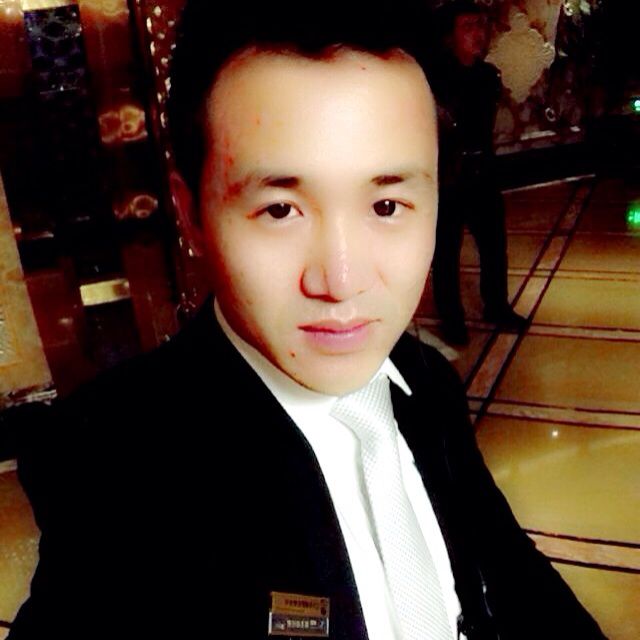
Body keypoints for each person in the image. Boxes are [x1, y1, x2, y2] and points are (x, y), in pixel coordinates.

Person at [7, 1, 604, 639]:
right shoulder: (113, 467)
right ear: (191, 215)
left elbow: (507, 566)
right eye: (280, 210)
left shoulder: (426, 382)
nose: (341, 281)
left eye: (386, 204)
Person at [430, 1, 528, 346]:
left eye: (481, 25)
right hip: (448, 176)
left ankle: (496, 306)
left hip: (482, 171)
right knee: (446, 250)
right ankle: (452, 319)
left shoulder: (487, 77)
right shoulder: (434, 80)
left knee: (494, 244)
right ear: (450, 35)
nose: (479, 34)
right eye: (469, 26)